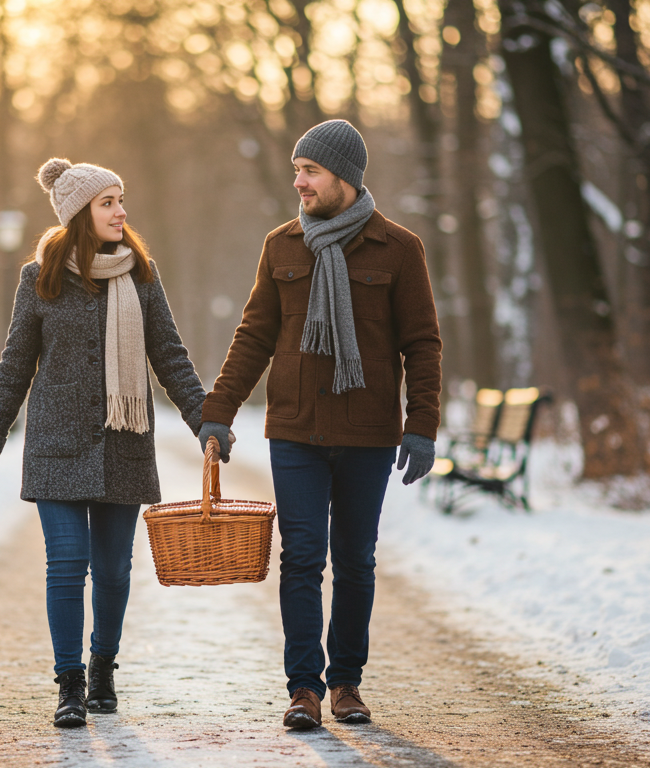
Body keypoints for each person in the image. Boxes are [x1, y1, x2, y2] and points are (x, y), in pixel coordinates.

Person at [198, 120, 442, 730]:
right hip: (295, 431)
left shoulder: (399, 248)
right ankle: (304, 688)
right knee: (302, 558)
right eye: (296, 170)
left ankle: (346, 684)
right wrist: (219, 410)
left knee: (355, 560)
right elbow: (254, 335)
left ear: (345, 177)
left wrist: (422, 424)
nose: (299, 182)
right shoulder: (282, 246)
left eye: (310, 171)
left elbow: (422, 343)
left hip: (368, 431)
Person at [0, 158, 213, 728]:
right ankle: (70, 683)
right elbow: (14, 366)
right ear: (80, 212)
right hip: (55, 445)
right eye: (108, 202)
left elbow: (169, 355)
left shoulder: (141, 275)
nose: (121, 211)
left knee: (115, 569)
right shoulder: (40, 278)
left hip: (123, 443)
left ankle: (103, 668)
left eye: (121, 200)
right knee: (66, 564)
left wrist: (205, 422)